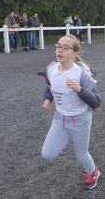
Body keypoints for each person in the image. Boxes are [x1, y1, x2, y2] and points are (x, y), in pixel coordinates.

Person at [40, 34, 101, 190]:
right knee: (47, 154)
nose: (60, 49)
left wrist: (79, 90)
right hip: (60, 119)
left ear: (75, 54)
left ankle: (93, 172)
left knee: (81, 154)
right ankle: (63, 135)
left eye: (65, 47)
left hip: (81, 121)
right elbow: (50, 86)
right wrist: (47, 99)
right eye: (58, 46)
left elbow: (96, 101)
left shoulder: (81, 74)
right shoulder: (51, 69)